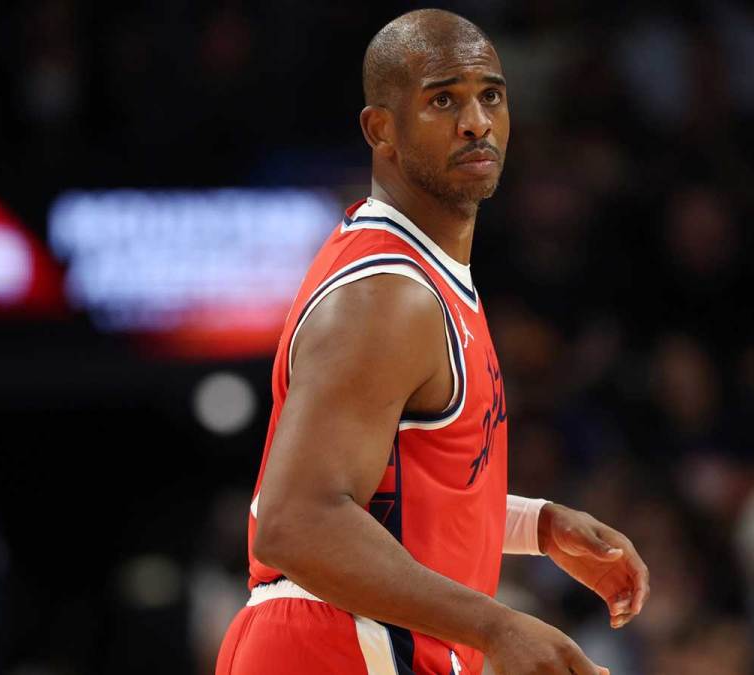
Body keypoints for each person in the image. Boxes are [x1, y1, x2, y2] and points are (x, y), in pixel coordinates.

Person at [214, 9, 649, 675]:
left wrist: (538, 524)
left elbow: (398, 498)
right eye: (443, 98)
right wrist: (498, 625)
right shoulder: (388, 293)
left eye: (491, 95)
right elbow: (295, 519)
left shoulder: (423, 276)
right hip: (332, 642)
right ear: (380, 129)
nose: (476, 120)